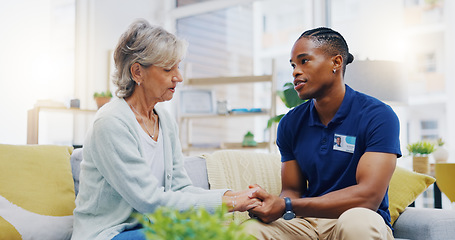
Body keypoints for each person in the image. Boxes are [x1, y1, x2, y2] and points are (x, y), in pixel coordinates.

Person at [71, 19, 261, 240]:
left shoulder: (165, 121)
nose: (178, 77)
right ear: (137, 73)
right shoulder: (111, 122)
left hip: (148, 228)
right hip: (109, 232)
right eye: (168, 69)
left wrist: (236, 195)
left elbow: (180, 188)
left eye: (177, 67)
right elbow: (149, 200)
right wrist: (230, 203)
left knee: (213, 232)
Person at [246, 27, 401, 240]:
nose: (295, 71)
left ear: (336, 63)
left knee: (357, 224)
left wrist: (287, 205)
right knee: (250, 231)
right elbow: (292, 190)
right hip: (308, 221)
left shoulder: (378, 115)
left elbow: (369, 196)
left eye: (304, 61)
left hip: (359, 215)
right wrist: (270, 206)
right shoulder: (290, 123)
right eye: (293, 65)